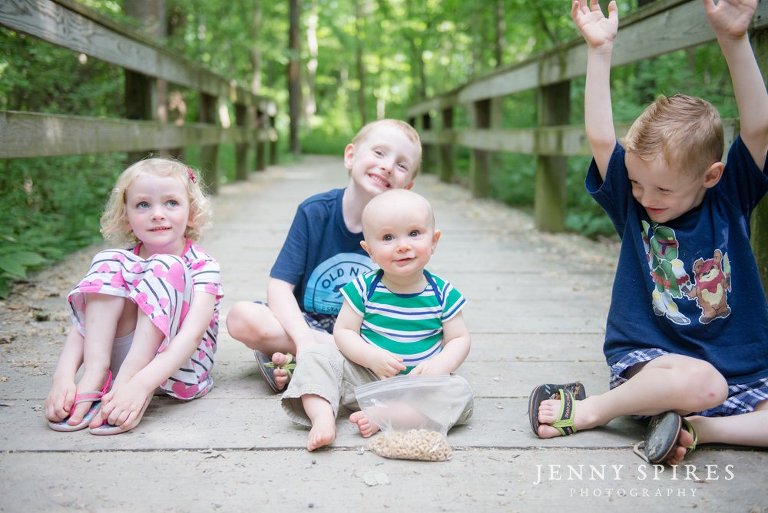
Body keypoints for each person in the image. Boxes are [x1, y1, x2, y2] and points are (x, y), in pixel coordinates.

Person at [529, 0, 768, 465]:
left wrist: (734, 40)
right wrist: (599, 51)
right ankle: (593, 409)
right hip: (656, 360)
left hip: (743, 367)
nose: (645, 196)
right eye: (637, 182)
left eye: (662, 187)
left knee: (725, 390)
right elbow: (601, 139)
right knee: (704, 384)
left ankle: (694, 428)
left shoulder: (730, 197)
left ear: (711, 176)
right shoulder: (634, 206)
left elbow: (759, 128)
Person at [226, 119, 422, 392]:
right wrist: (304, 338)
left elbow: (409, 297)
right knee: (241, 317)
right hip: (308, 321)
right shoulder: (315, 212)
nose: (388, 166)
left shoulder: (403, 232)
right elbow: (280, 287)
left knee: (407, 348)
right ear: (351, 156)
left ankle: (290, 357)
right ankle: (319, 356)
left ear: (407, 187)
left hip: (364, 331)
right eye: (379, 153)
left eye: (401, 165)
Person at [282, 188, 473, 451]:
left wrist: (441, 364)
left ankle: (386, 415)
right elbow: (344, 332)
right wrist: (370, 356)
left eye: (414, 233)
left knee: (459, 391)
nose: (403, 245)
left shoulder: (443, 293)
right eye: (388, 237)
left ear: (434, 240)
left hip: (419, 386)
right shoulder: (363, 288)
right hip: (366, 379)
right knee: (317, 357)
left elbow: (459, 338)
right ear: (369, 250)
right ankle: (322, 417)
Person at [44, 158, 223, 435]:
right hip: (119, 359)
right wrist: (63, 377)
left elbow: (191, 337)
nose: (157, 214)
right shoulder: (119, 262)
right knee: (108, 259)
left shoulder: (203, 265)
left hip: (178, 368)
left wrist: (139, 384)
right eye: (143, 205)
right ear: (126, 217)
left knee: (167, 266)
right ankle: (96, 374)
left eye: (171, 203)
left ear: (191, 213)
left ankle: (127, 384)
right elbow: (84, 327)